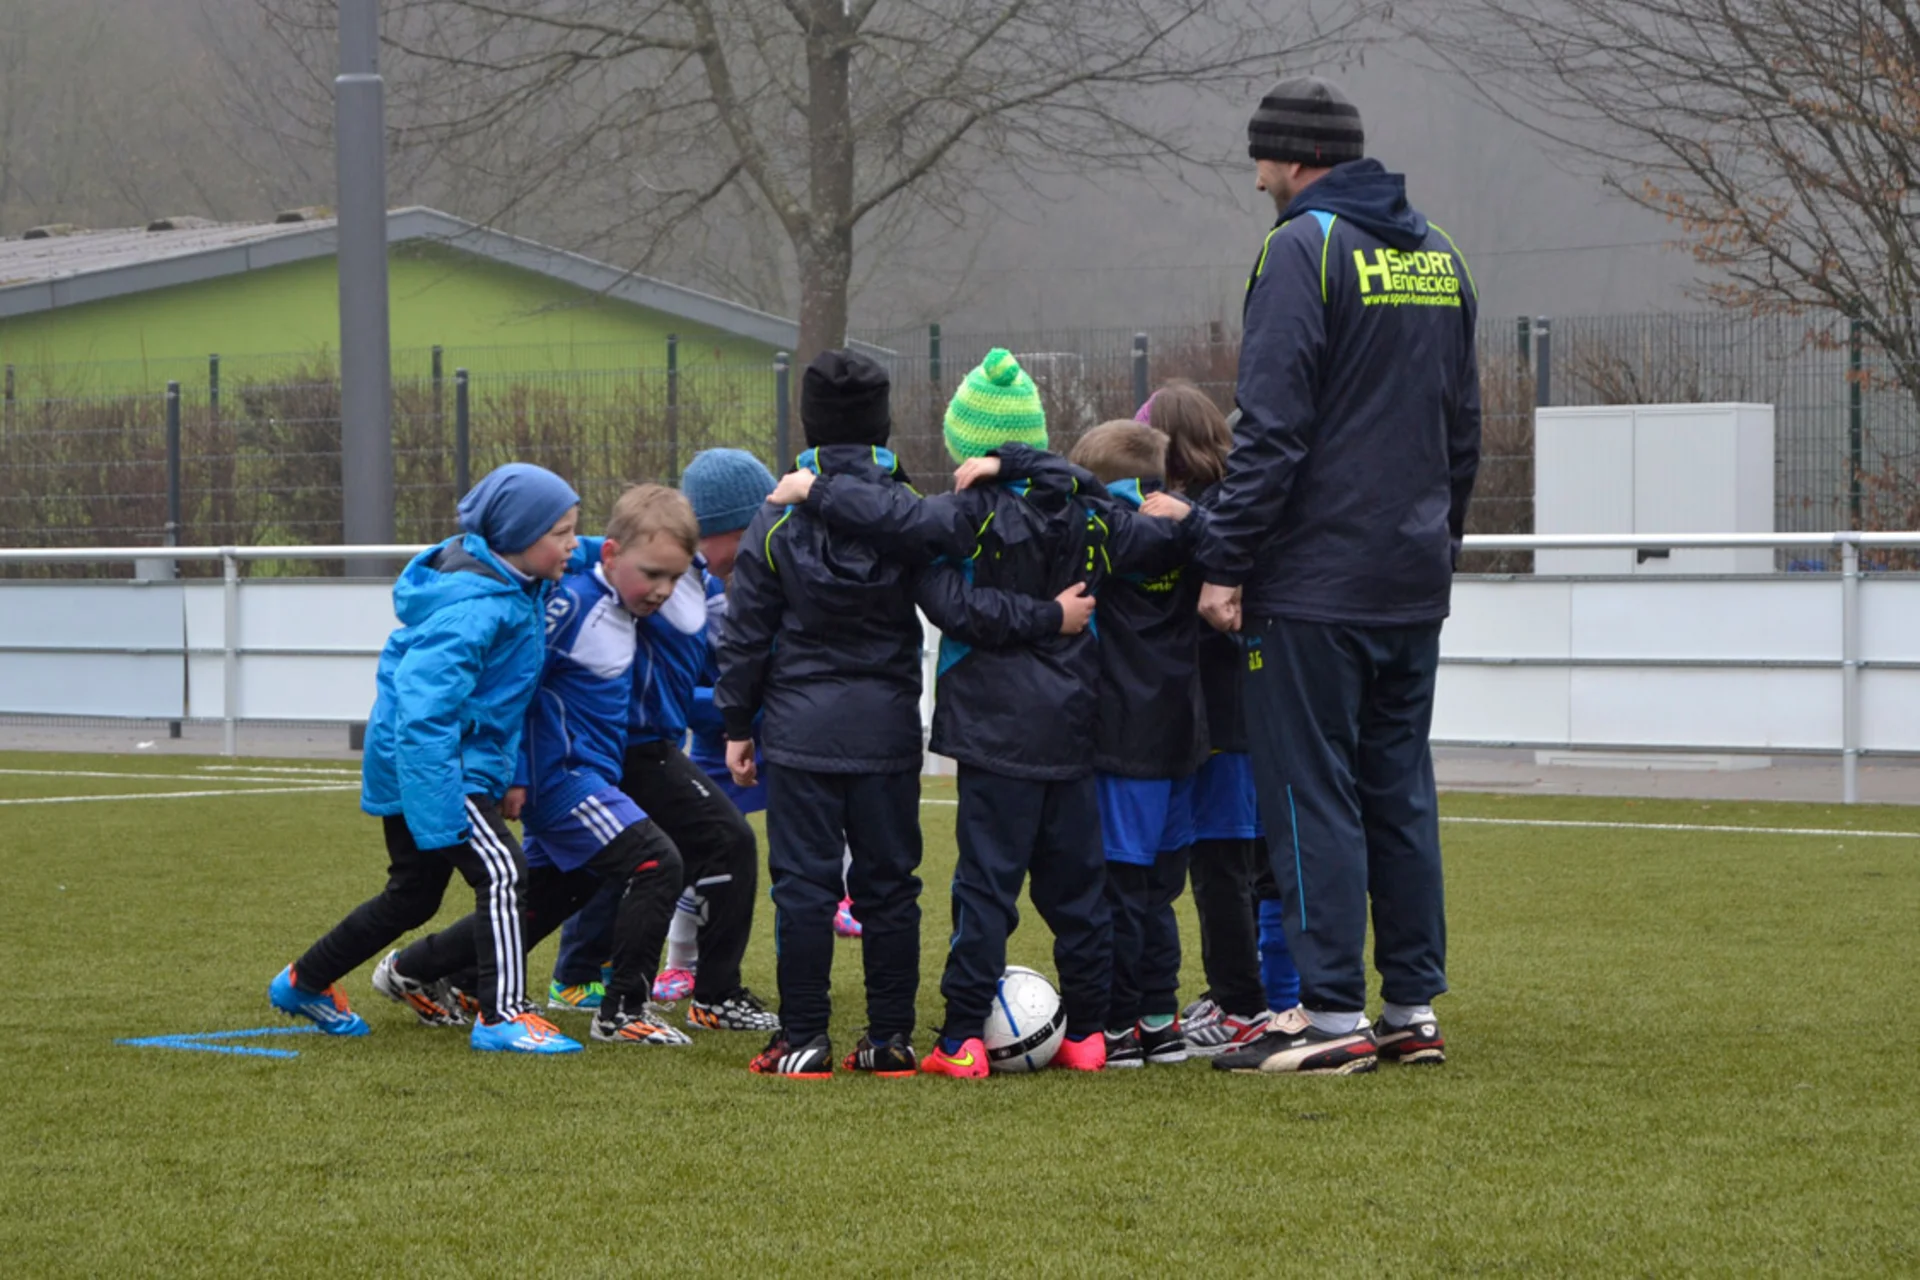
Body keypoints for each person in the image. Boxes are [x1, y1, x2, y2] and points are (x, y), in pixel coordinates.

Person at [768, 348, 1183, 1078]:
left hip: (997, 736)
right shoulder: (1093, 515)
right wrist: (1055, 477)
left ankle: (962, 1039)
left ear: (969, 448)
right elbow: (1159, 534)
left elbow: (933, 580)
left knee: (985, 892)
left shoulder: (965, 518)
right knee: (1079, 893)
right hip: (1076, 732)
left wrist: (815, 490)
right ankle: (1089, 1036)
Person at [1190, 77, 1480, 1075]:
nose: (1256, 172)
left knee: (1311, 792)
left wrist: (1226, 559)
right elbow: (1463, 428)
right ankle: (1409, 1008)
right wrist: (1438, 547)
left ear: (1294, 158)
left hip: (1314, 586)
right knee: (1399, 789)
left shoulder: (1300, 249)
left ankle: (1327, 1016)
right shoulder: (1440, 255)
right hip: (1410, 578)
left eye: (1262, 155)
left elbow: (1271, 431)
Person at [720, 350, 1083, 1079]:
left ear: (809, 422)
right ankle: (888, 1039)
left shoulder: (777, 514)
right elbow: (951, 598)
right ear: (885, 422)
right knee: (890, 885)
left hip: (799, 730)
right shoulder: (913, 516)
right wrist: (1046, 614)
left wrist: (737, 724)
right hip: (887, 727)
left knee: (804, 887)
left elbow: (746, 632)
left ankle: (802, 1038)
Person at [268, 462, 586, 1055]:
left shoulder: (515, 580)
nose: (575, 544)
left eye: (577, 529)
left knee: (412, 896)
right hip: (436, 770)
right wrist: (440, 809)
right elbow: (423, 714)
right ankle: (503, 1015)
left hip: (446, 767)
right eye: (564, 533)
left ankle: (303, 982)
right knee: (502, 872)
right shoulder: (475, 610)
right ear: (518, 538)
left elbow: (566, 554)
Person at [375, 485, 703, 1048]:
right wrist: (519, 773)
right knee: (655, 863)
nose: (664, 591)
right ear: (613, 556)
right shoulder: (569, 604)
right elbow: (518, 687)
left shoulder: (617, 597)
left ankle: (420, 968)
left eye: (674, 579)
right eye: (654, 574)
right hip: (564, 779)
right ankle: (622, 1010)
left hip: (588, 775)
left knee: (551, 895)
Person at [1140, 384, 1298, 1057]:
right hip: (1248, 709)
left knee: (1223, 863)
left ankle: (1243, 1002)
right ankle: (1264, 994)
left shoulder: (1211, 513)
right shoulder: (1234, 501)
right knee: (1250, 861)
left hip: (1227, 714)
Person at [1066, 421, 1207, 1069]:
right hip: (1183, 737)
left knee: (1120, 890)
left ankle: (1119, 1023)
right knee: (1157, 892)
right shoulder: (1189, 527)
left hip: (1124, 738)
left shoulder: (1101, 533)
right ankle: (1160, 1019)